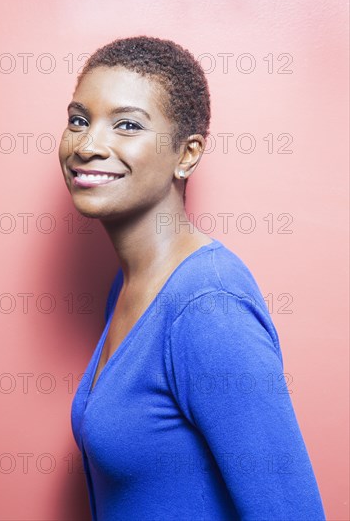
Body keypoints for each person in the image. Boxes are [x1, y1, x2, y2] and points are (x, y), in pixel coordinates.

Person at [59, 36, 326, 521]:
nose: (88, 144)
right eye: (80, 119)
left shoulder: (209, 305)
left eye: (126, 125)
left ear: (187, 154)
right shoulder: (129, 287)